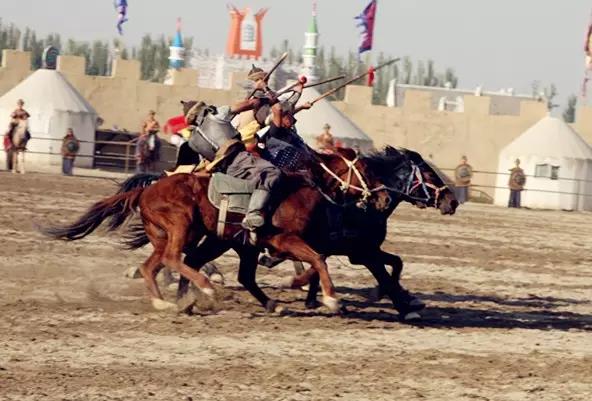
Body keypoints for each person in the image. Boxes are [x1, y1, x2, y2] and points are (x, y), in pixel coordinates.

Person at [181, 89, 281, 232]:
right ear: (202, 108)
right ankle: (253, 214)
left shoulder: (193, 141)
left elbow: (206, 162)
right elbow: (251, 104)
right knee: (272, 172)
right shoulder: (217, 114)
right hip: (240, 159)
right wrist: (266, 99)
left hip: (226, 170)